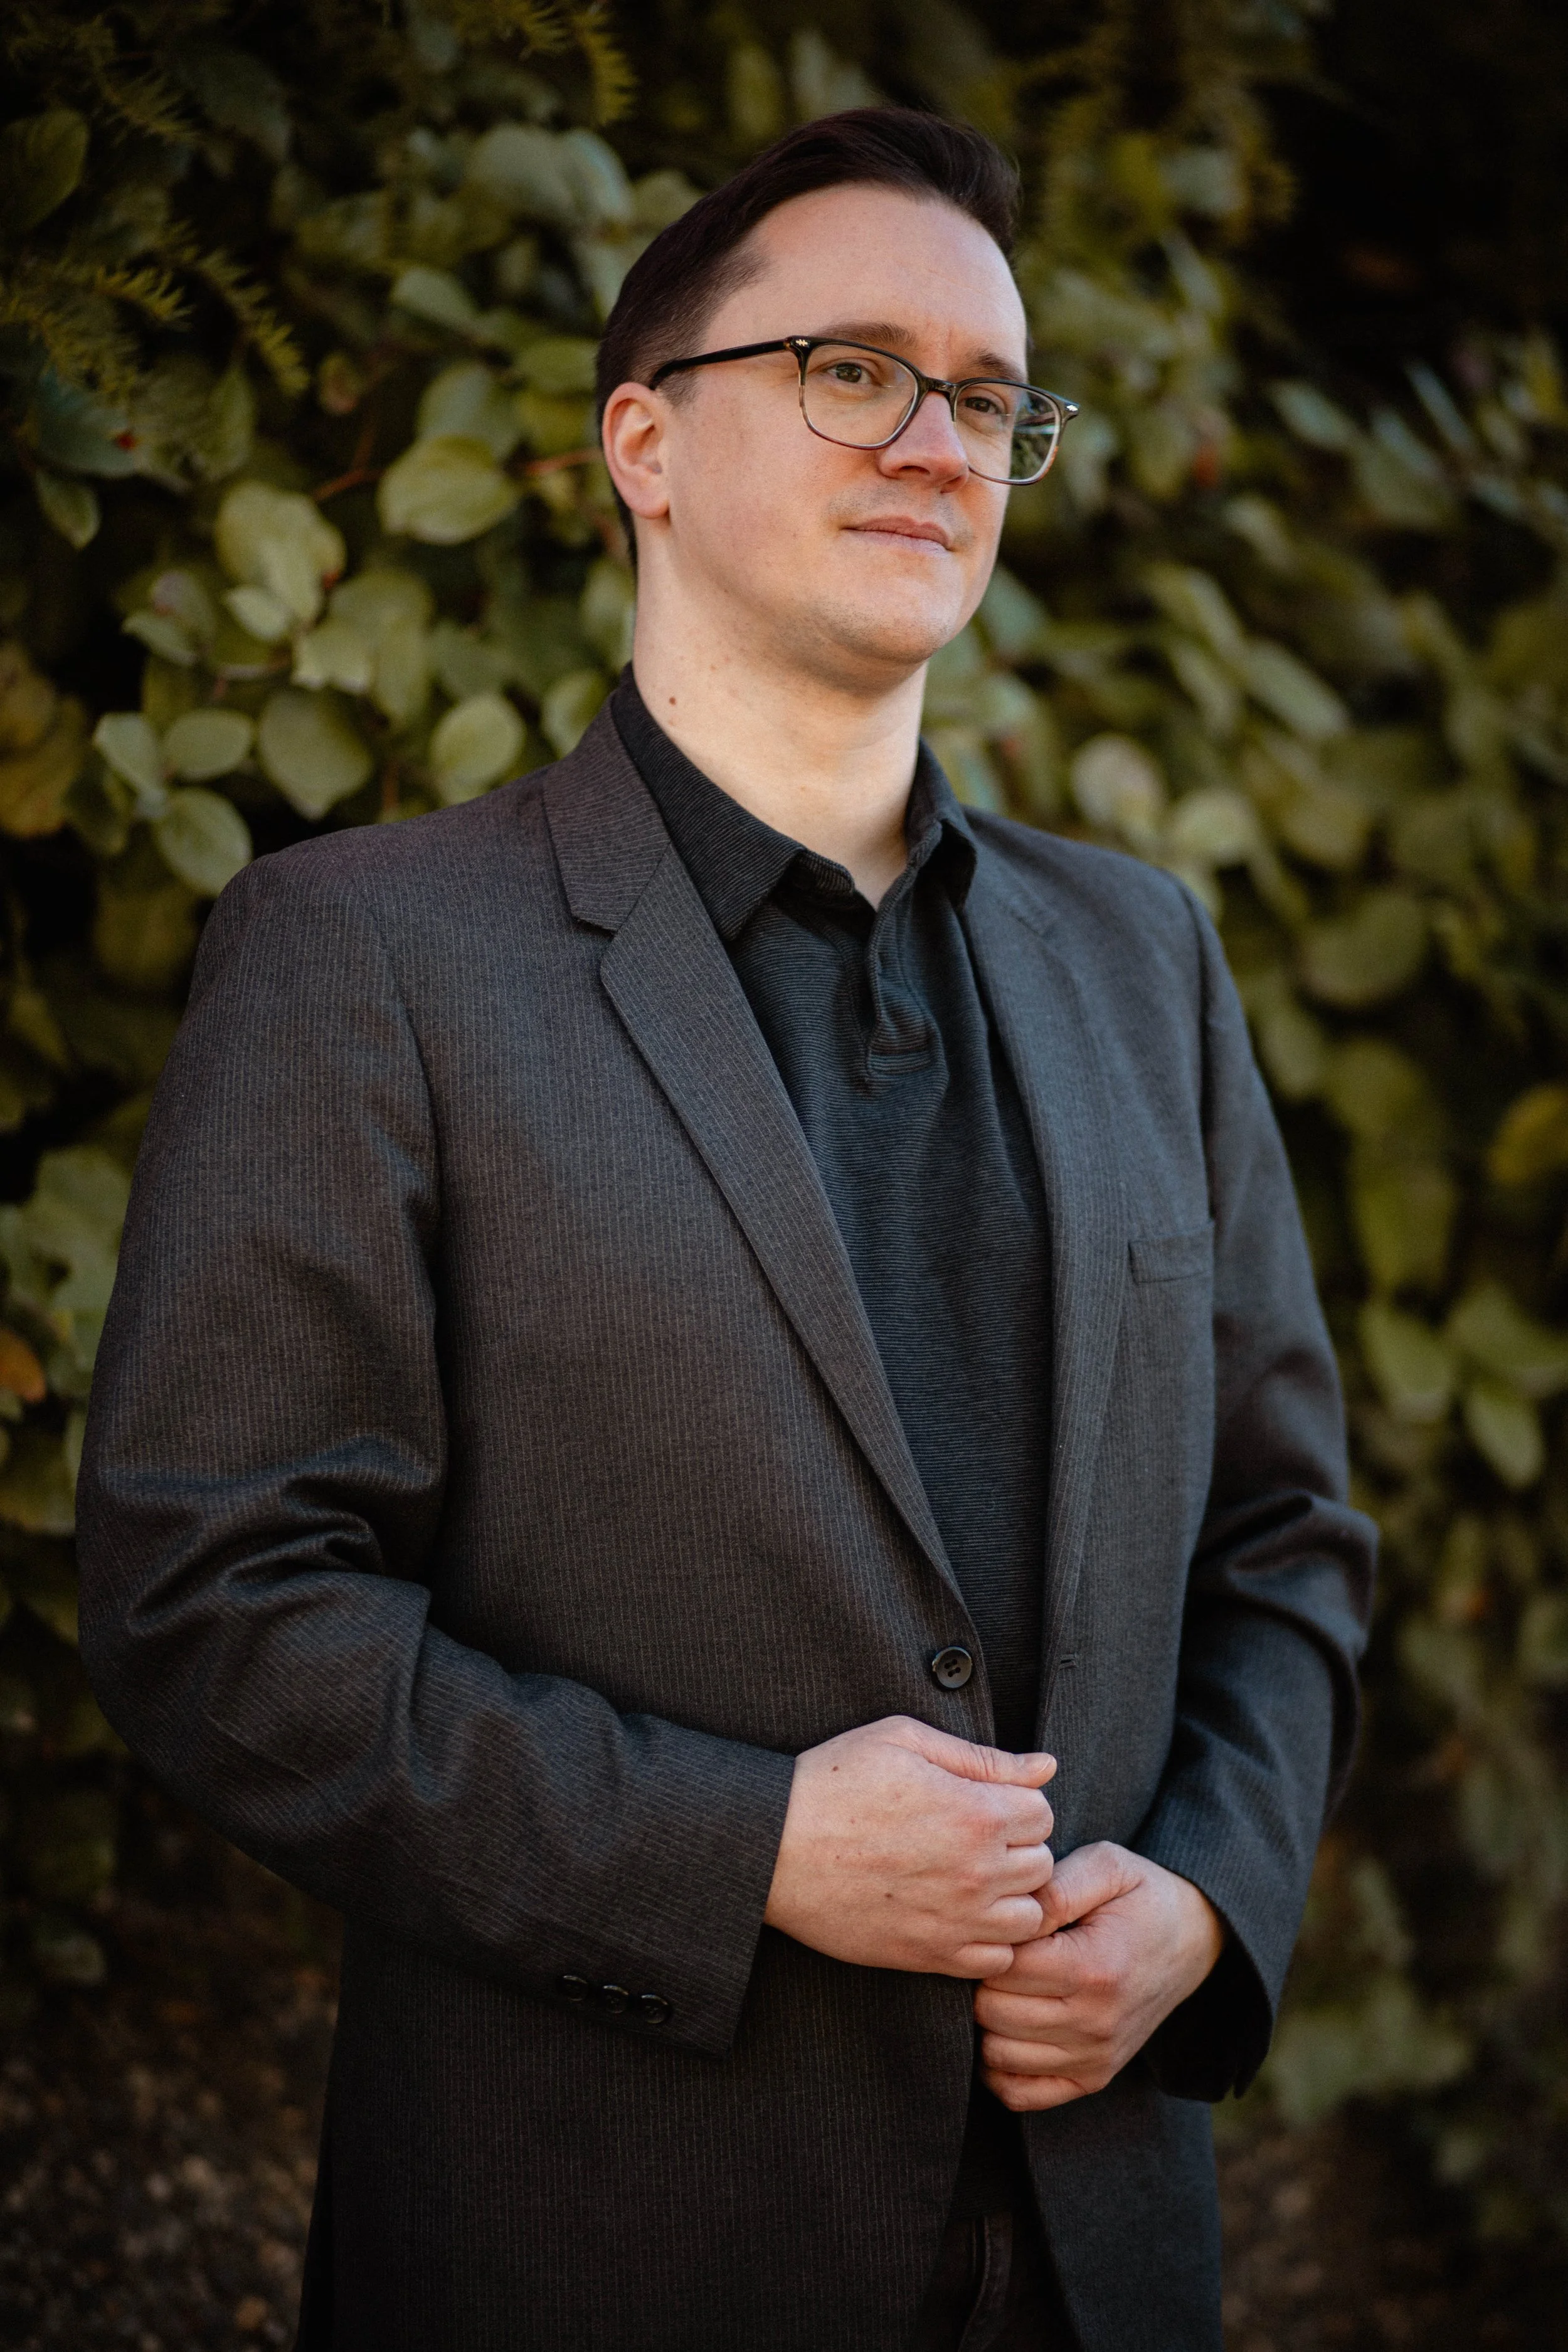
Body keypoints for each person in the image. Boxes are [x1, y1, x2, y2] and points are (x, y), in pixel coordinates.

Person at [77, 107, 1375, 2352]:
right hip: (592, 2249)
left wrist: (1207, 1903)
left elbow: (1283, 1543)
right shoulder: (364, 955)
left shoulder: (1138, 953)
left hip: (1104, 2258)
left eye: (985, 397)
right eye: (853, 368)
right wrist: (741, 1843)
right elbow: (215, 1601)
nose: (939, 441)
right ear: (643, 442)